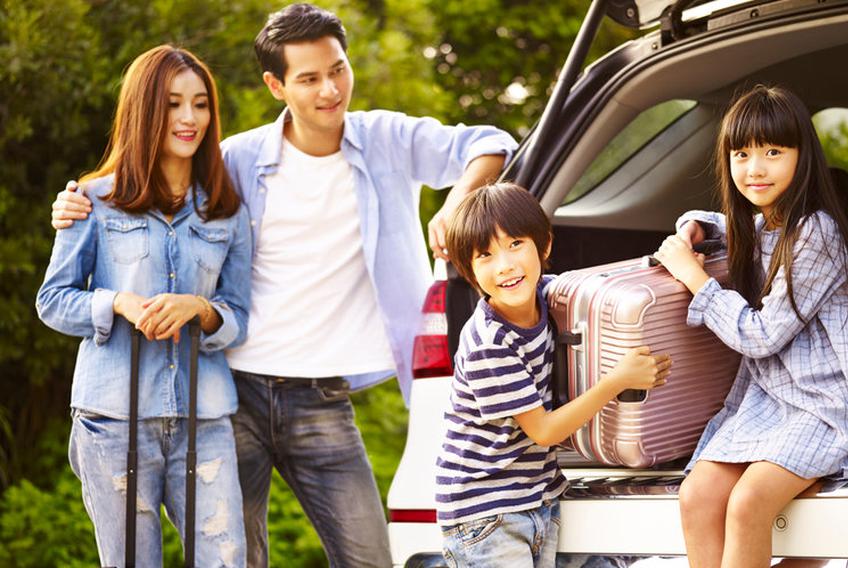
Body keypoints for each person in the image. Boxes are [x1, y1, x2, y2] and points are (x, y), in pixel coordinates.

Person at [50, 4, 516, 566]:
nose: (330, 89)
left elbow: (491, 141)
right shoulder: (235, 160)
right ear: (276, 85)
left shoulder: (387, 139)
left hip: (321, 396)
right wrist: (74, 203)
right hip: (231, 392)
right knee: (236, 557)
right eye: (310, 78)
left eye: (338, 69)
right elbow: (155, 199)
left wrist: (460, 201)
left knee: (370, 555)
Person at [653, 85, 848, 568]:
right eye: (741, 154)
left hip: (831, 400)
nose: (755, 169)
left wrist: (695, 277)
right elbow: (726, 221)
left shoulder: (818, 232)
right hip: (774, 399)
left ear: (802, 156)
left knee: (748, 504)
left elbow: (760, 336)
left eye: (773, 152)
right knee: (698, 496)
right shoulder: (765, 223)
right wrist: (693, 227)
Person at [36, 45, 251, 566]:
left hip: (206, 417)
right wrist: (119, 303)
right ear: (144, 109)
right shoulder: (93, 199)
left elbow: (238, 314)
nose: (188, 118)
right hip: (112, 420)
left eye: (200, 105)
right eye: (173, 103)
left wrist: (200, 309)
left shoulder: (226, 209)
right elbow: (52, 300)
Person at [437, 183, 672, 567]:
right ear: (469, 271)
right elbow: (543, 431)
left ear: (544, 246)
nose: (505, 265)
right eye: (485, 255)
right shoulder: (489, 342)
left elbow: (605, 290)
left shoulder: (551, 294)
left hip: (538, 494)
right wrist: (617, 380)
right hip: (486, 511)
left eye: (515, 244)